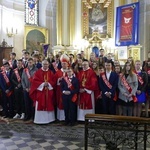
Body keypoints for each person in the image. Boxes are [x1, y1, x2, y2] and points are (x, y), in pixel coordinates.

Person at [29, 59, 56, 124]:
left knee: (49, 104)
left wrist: (48, 84)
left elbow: (54, 81)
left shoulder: (51, 72)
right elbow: (34, 81)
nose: (45, 65)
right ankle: (40, 120)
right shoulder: (38, 72)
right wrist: (43, 84)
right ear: (42, 64)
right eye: (44, 64)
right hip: (40, 92)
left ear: (48, 65)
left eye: (46, 64)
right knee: (40, 104)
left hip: (48, 92)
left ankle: (49, 119)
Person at [55, 54, 70, 121]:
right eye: (62, 63)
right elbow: (55, 81)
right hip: (59, 90)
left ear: (67, 64)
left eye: (65, 63)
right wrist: (59, 80)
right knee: (60, 102)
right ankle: (60, 118)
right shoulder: (58, 72)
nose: (63, 65)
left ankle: (67, 117)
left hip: (68, 90)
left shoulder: (70, 71)